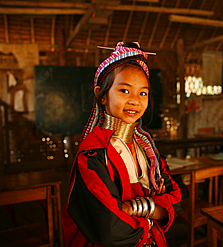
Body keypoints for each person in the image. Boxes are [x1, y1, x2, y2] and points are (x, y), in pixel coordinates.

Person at [62, 41, 182, 247]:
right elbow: (109, 226)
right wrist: (154, 212)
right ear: (102, 95)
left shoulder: (147, 149)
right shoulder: (93, 154)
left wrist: (134, 208)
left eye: (142, 93)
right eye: (125, 91)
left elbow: (176, 199)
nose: (135, 100)